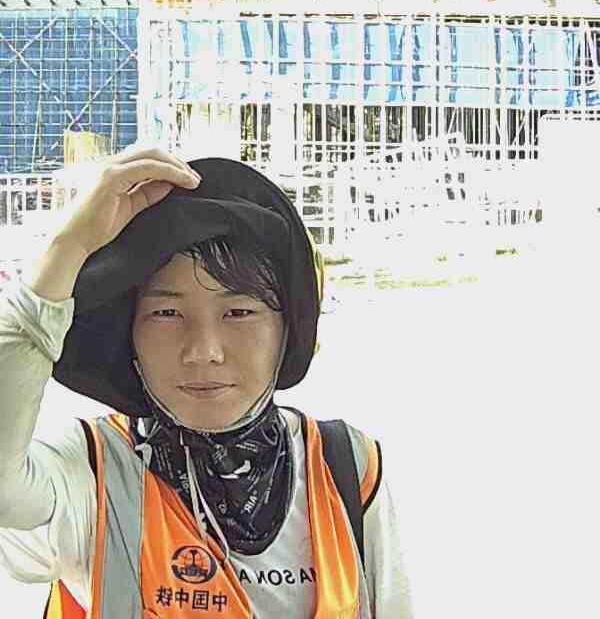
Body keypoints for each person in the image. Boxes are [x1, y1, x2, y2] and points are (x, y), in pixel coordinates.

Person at [0, 145, 413, 618]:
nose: (204, 350)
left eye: (238, 312)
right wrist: (69, 248)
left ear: (288, 329)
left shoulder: (347, 469)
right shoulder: (92, 474)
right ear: (131, 333)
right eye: (166, 313)